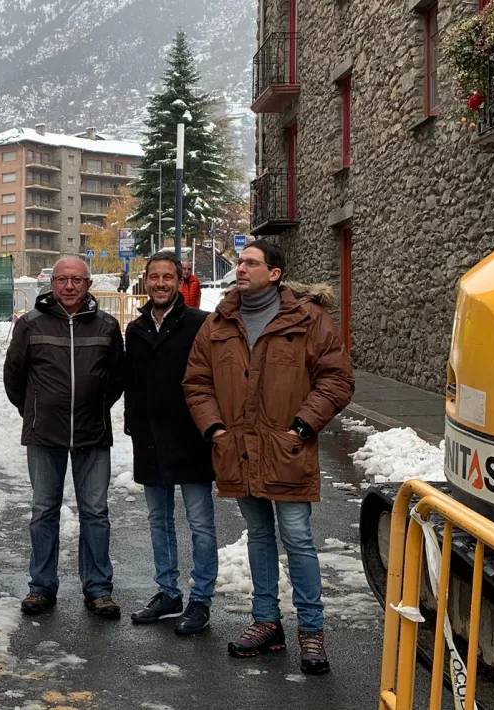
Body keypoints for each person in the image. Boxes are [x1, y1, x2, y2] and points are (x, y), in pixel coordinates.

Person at [183, 242, 354, 676]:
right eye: (240, 262)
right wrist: (215, 429)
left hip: (286, 448)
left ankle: (311, 632)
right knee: (258, 536)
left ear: (274, 273)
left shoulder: (309, 318)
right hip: (237, 450)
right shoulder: (219, 320)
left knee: (296, 538)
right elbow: (197, 381)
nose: (240, 268)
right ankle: (266, 623)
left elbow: (336, 379)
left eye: (250, 263)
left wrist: (301, 426)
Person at [4, 256, 125, 619]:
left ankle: (99, 589)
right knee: (44, 511)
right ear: (51, 284)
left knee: (96, 513)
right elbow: (14, 378)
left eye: (76, 280)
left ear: (88, 284)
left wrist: (96, 407)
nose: (69, 286)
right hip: (45, 434)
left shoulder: (106, 325)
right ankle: (41, 587)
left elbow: (116, 378)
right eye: (61, 279)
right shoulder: (30, 324)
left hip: (92, 433)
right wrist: (36, 410)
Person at [124, 253, 216, 635]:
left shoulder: (200, 324)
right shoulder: (136, 328)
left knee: (200, 523)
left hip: (191, 436)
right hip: (149, 438)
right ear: (145, 281)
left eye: (168, 277)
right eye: (154, 277)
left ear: (180, 281)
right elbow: (131, 381)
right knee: (158, 521)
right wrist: (133, 427)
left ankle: (201, 600)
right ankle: (167, 592)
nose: (160, 283)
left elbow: (213, 380)